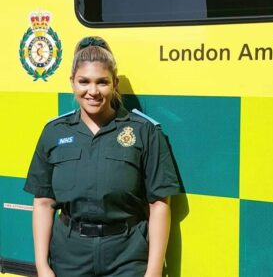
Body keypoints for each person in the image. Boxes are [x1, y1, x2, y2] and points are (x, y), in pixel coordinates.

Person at [24, 36, 181, 277]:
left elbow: (159, 204)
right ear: (72, 83)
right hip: (69, 257)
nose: (93, 91)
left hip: (126, 256)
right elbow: (43, 202)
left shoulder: (144, 131)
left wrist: (153, 271)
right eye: (84, 81)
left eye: (102, 82)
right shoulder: (54, 132)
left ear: (115, 83)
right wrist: (42, 266)